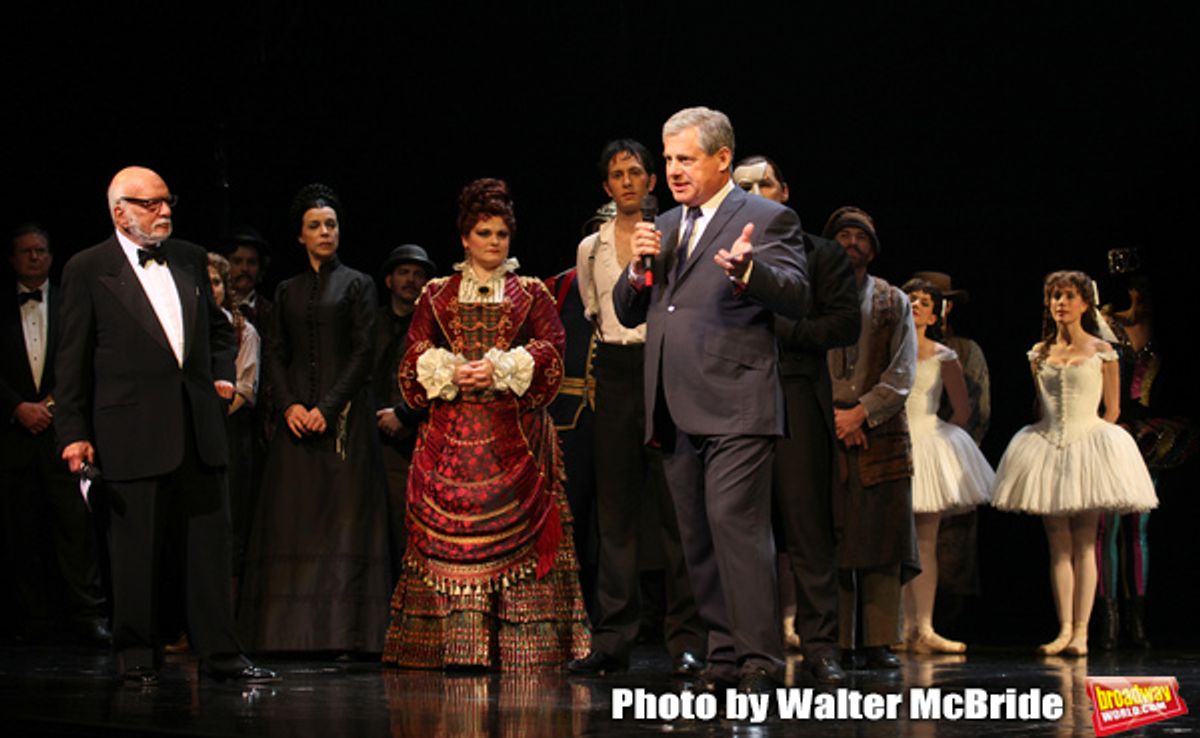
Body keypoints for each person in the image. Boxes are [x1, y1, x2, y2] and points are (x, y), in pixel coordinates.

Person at [613, 107, 810, 693]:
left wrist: (751, 273)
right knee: (695, 539)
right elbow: (631, 312)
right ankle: (723, 659)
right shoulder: (667, 224)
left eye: (685, 159)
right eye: (668, 159)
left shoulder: (768, 217)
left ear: (722, 159)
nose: (672, 171)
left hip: (736, 401)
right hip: (673, 404)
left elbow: (797, 296)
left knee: (736, 529)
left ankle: (759, 662)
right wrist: (636, 267)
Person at [55, 166, 275, 685]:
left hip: (197, 428)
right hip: (129, 431)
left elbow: (220, 333)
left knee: (208, 553)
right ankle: (136, 656)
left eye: (167, 201)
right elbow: (73, 359)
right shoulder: (89, 269)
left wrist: (223, 378)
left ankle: (222, 655)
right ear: (120, 211)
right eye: (151, 204)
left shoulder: (190, 257)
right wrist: (72, 431)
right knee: (136, 555)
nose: (165, 211)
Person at [383, 178, 590, 670]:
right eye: (483, 233)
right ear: (464, 239)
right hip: (450, 443)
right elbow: (412, 355)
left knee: (523, 535)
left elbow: (552, 351)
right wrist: (449, 368)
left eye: (500, 233)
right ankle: (453, 646)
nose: (494, 242)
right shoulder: (437, 294)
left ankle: (526, 648)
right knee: (447, 541)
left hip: (513, 437)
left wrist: (500, 367)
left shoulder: (531, 293)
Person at [568, 139, 706, 678]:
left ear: (652, 181)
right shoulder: (590, 247)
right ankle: (613, 639)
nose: (627, 182)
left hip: (666, 369)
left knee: (676, 512)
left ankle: (688, 641)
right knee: (616, 512)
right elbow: (592, 308)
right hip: (617, 372)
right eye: (617, 175)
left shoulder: (675, 234)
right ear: (607, 186)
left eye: (635, 173)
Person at [238, 183, 391, 655]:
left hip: (344, 422)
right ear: (300, 236)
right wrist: (289, 407)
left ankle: (348, 635)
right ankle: (283, 636)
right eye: (315, 226)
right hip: (296, 422)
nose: (325, 232)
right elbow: (276, 355)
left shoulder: (359, 283)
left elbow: (364, 353)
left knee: (343, 521)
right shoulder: (287, 289)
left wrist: (326, 409)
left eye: (331, 224)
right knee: (294, 519)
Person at [735, 155, 861, 683]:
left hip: (796, 394)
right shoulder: (718, 249)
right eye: (746, 186)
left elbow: (844, 323)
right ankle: (751, 651)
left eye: (766, 183)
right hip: (734, 399)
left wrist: (785, 331)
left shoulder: (820, 253)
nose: (758, 190)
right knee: (742, 530)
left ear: (784, 191)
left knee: (808, 528)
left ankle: (820, 645)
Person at [992, 270, 1158, 656]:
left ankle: (1082, 631)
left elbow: (1113, 409)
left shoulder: (1103, 351)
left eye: (1068, 296)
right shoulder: (1038, 353)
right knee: (1057, 544)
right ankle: (1063, 628)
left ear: (1085, 303)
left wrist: (1092, 449)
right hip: (1047, 443)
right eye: (1055, 297)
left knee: (1086, 542)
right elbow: (1042, 403)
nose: (1061, 304)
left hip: (1088, 443)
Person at [1, 224, 109, 645]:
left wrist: (49, 406)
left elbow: (87, 358)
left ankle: (88, 614)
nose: (34, 258)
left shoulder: (69, 301)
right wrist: (16, 407)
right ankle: (33, 620)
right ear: (12, 259)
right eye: (25, 251)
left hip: (62, 432)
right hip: (13, 438)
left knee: (75, 530)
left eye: (41, 250)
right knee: (21, 534)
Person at [822, 206, 919, 671]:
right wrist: (835, 416)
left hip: (878, 429)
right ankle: (837, 639)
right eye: (842, 234)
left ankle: (879, 639)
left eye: (860, 236)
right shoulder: (810, 297)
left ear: (873, 248)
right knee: (832, 538)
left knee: (881, 538)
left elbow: (903, 373)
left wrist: (862, 413)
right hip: (825, 429)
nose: (851, 242)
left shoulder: (893, 300)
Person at [898, 277, 993, 653]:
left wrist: (941, 439)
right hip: (894, 445)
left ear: (935, 315)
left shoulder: (944, 354)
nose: (917, 305)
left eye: (924, 302)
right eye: (911, 299)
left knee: (926, 541)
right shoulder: (888, 351)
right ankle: (900, 627)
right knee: (895, 543)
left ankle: (925, 626)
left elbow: (964, 408)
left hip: (927, 441)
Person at [373, 244, 435, 573]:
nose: (410, 280)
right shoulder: (372, 323)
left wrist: (404, 415)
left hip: (412, 438)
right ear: (388, 280)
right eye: (403, 272)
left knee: (404, 523)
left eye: (418, 274)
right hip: (369, 436)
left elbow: (436, 379)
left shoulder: (432, 327)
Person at [205, 253, 260, 584]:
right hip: (188, 434)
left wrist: (213, 415)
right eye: (205, 282)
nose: (211, 289)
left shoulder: (242, 330)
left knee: (230, 523)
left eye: (216, 282)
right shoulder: (183, 326)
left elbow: (245, 388)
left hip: (228, 432)